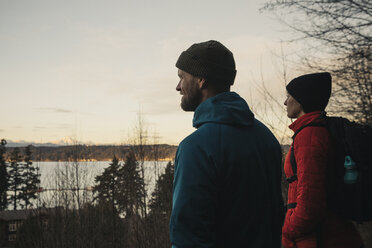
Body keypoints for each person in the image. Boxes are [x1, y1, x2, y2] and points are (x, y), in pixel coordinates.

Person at [170, 40, 283, 248]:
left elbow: (189, 239)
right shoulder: (267, 138)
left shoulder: (196, 148)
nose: (178, 86)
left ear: (201, 80)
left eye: (181, 77)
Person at [282, 72, 363, 248]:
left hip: (320, 238)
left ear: (301, 100)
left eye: (289, 96)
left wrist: (287, 229)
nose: (285, 102)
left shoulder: (309, 135)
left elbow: (310, 206)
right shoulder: (318, 129)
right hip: (329, 234)